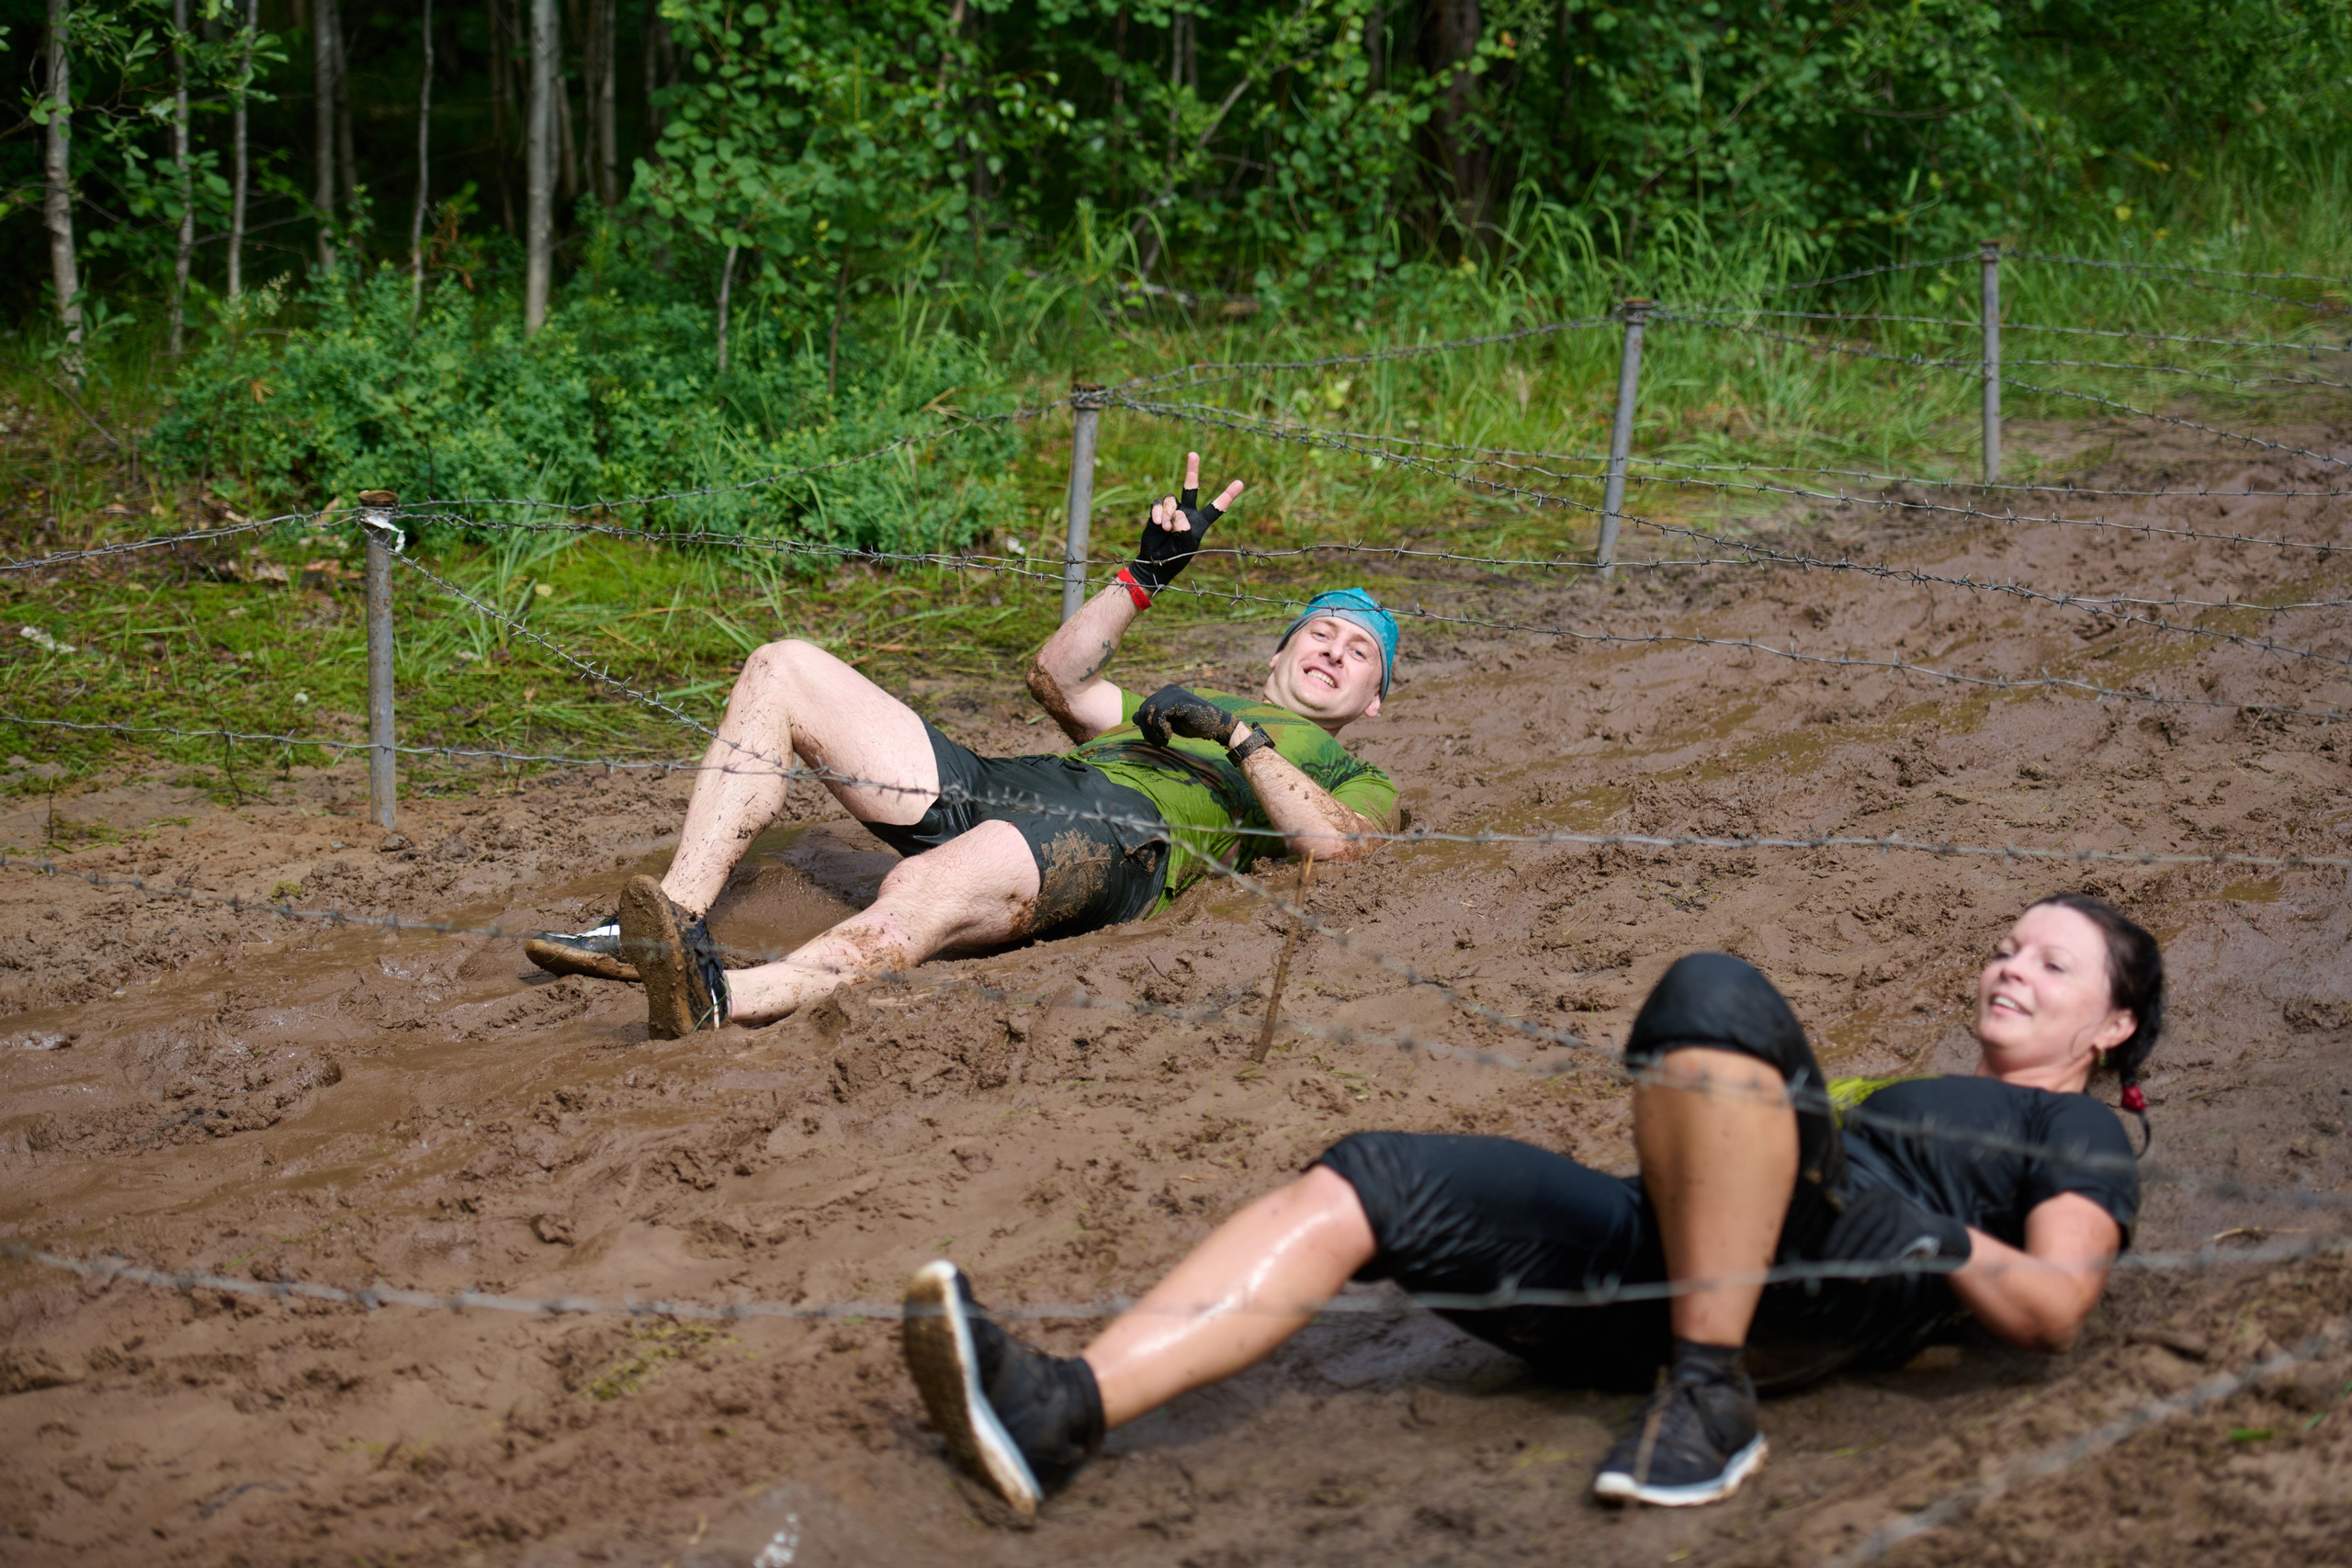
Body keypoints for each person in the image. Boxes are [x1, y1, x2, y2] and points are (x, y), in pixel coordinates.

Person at [899, 894, 2162, 1515]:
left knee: (1713, 987)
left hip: (1829, 1273)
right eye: (2005, 943)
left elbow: (2054, 1304)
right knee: (1374, 1170)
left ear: (2111, 1024)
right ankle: (1064, 1406)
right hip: (1659, 1250)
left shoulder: (2082, 1125)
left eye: (2053, 960)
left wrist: (1932, 1235)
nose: (2011, 962)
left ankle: (1710, 1394)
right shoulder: (1915, 1085)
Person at [526, 453, 1403, 1037]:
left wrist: (1240, 739)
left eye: (1358, 651)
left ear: (1374, 701)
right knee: (784, 666)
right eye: (1320, 632)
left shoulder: (1350, 771)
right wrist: (1145, 576)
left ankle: (719, 998)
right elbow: (1058, 679)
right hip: (1022, 783)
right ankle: (660, 930)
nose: (1334, 649)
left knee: (924, 886)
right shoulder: (1182, 705)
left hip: (1121, 835)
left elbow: (1341, 846)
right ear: (1278, 651)